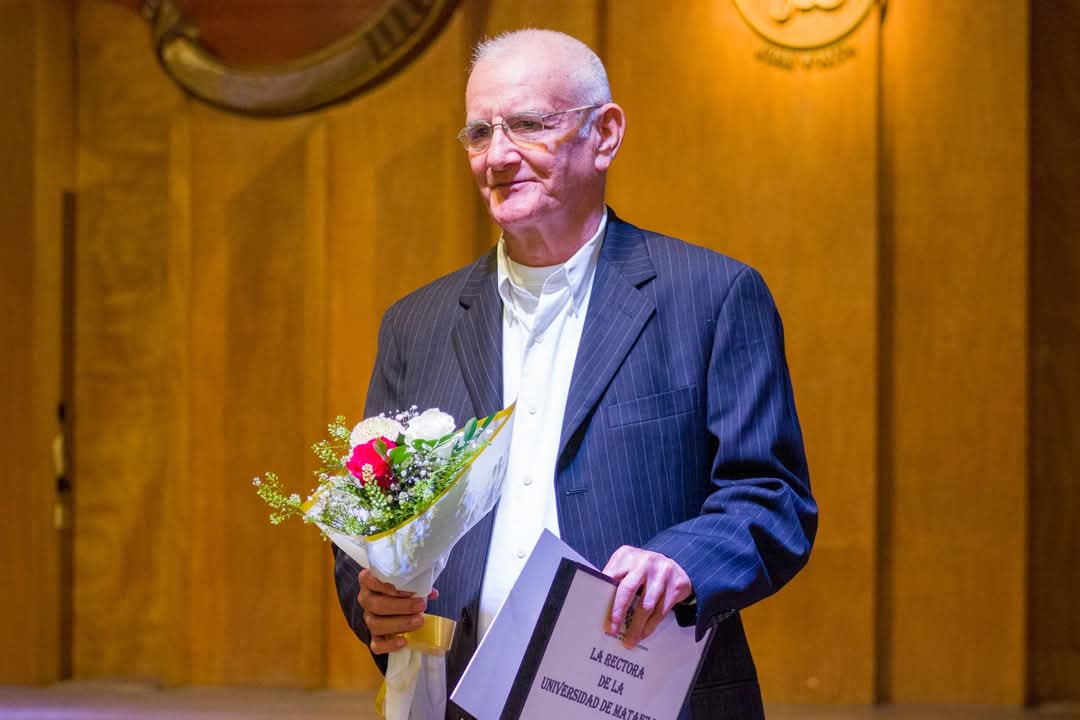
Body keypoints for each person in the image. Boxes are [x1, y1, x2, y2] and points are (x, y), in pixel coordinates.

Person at [334, 28, 817, 720]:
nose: (497, 156)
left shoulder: (711, 297)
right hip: (455, 701)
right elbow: (369, 514)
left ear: (606, 133)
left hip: (650, 699)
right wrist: (372, 596)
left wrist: (680, 563)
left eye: (528, 125)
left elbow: (772, 498)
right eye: (478, 133)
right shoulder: (416, 323)